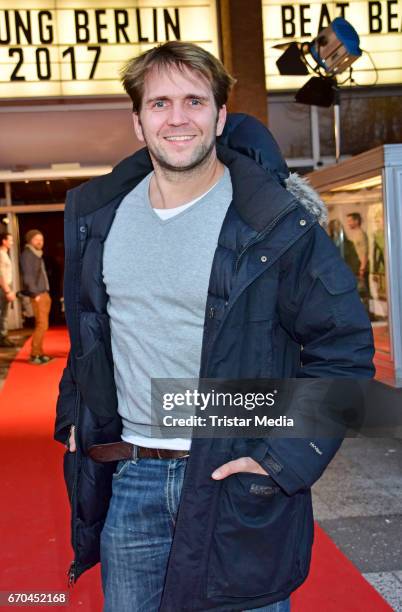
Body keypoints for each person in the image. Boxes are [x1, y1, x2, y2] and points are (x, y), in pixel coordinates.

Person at [55, 42, 374, 612]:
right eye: (159, 103)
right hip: (131, 482)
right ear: (138, 120)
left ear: (220, 116)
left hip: (237, 482)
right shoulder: (100, 216)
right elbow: (90, 335)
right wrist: (73, 417)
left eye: (194, 101)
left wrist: (280, 460)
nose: (177, 118)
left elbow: (343, 353)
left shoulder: (274, 222)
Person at [20, 229, 52, 365]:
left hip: (43, 293)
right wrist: (36, 294)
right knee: (41, 324)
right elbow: (28, 276)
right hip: (38, 294)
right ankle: (35, 355)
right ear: (30, 240)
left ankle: (39, 352)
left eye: (42, 239)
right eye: (36, 239)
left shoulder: (36, 254)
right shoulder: (28, 254)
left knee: (43, 325)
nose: (40, 241)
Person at [0, 231, 16, 347]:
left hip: (5, 286)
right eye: (10, 240)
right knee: (3, 314)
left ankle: (3, 337)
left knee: (4, 313)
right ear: (4, 241)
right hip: (3, 287)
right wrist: (7, 290)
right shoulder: (1, 254)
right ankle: (2, 337)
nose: (12, 242)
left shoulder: (4, 254)